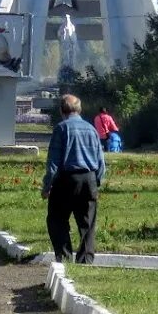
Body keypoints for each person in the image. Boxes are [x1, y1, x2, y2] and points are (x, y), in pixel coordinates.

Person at [41, 93, 106, 264]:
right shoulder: (91, 129)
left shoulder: (62, 128)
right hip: (89, 178)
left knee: (57, 219)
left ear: (62, 110)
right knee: (87, 223)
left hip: (66, 179)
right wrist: (96, 182)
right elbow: (101, 161)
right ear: (79, 110)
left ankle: (64, 256)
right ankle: (85, 260)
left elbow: (53, 162)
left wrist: (47, 185)